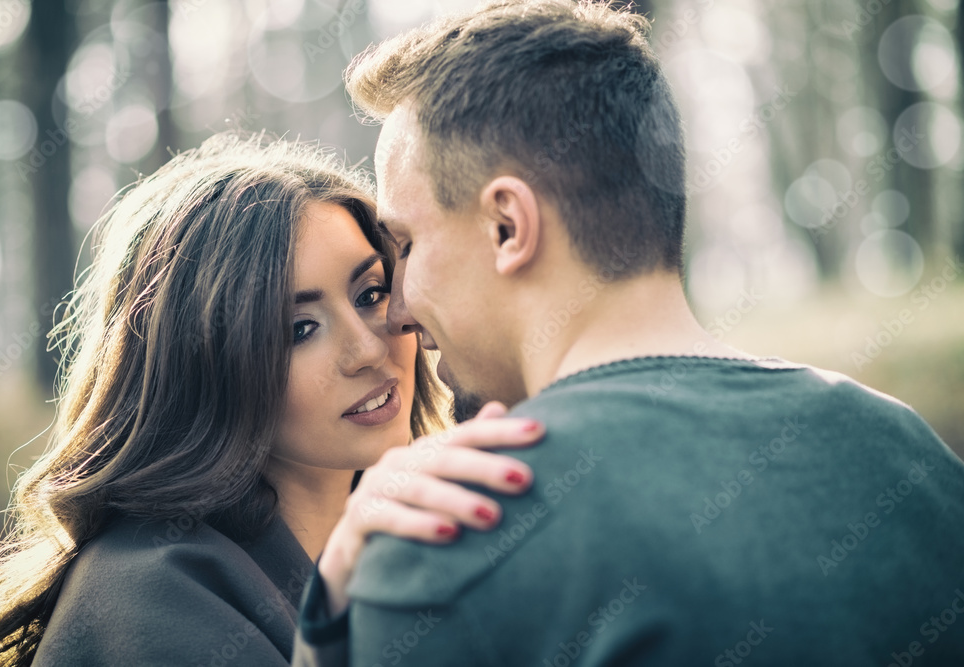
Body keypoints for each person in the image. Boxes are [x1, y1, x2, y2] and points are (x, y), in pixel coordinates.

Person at [294, 1, 964, 665]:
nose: (399, 311)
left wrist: (330, 623)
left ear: (507, 227)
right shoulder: (912, 458)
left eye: (405, 244)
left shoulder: (447, 535)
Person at [0, 132, 544, 667]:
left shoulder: (429, 539)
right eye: (298, 329)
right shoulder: (146, 597)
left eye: (371, 293)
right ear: (202, 367)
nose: (369, 349)